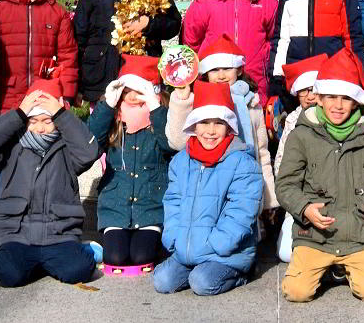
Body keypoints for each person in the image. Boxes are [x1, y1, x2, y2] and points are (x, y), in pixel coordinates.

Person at [277, 47, 364, 303]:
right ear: (318, 98)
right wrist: (304, 208)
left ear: (355, 101)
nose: (338, 105)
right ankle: (327, 268)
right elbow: (285, 184)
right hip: (316, 236)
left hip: (357, 236)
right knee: (296, 292)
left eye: (345, 98)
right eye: (331, 97)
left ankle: (342, 268)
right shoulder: (302, 135)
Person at [0, 79, 103, 285]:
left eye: (47, 121)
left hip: (58, 235)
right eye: (33, 121)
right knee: (9, 275)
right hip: (17, 235)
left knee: (79, 271)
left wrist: (62, 114)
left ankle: (78, 251)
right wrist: (18, 113)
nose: (40, 128)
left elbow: (90, 151)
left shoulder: (67, 147)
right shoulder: (11, 145)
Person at [154, 80, 265, 295]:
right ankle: (195, 264)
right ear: (194, 125)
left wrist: (216, 244)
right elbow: (173, 202)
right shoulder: (181, 161)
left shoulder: (242, 163)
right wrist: (173, 238)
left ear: (229, 127)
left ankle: (240, 274)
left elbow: (241, 213)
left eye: (218, 123)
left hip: (222, 251)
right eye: (204, 123)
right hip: (187, 248)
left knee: (202, 282)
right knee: (162, 281)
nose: (211, 131)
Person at [86, 54, 189, 275]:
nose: (132, 97)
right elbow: (90, 141)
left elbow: (170, 146)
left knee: (142, 255)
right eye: (127, 91)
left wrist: (155, 109)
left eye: (139, 91)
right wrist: (107, 105)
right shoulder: (113, 119)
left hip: (150, 206)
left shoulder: (161, 116)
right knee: (115, 256)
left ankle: (156, 240)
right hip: (116, 207)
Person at [186, 32, 277, 211]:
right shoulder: (198, 103)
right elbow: (179, 141)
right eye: (214, 70)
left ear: (239, 70)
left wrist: (269, 198)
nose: (221, 76)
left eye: (227, 69)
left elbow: (261, 152)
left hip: (247, 182)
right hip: (210, 186)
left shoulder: (252, 104)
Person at [275, 54, 327, 263]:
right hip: (299, 197)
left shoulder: (334, 117)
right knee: (287, 253)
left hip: (329, 196)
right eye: (303, 91)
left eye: (313, 90)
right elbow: (281, 161)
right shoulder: (293, 120)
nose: (310, 96)